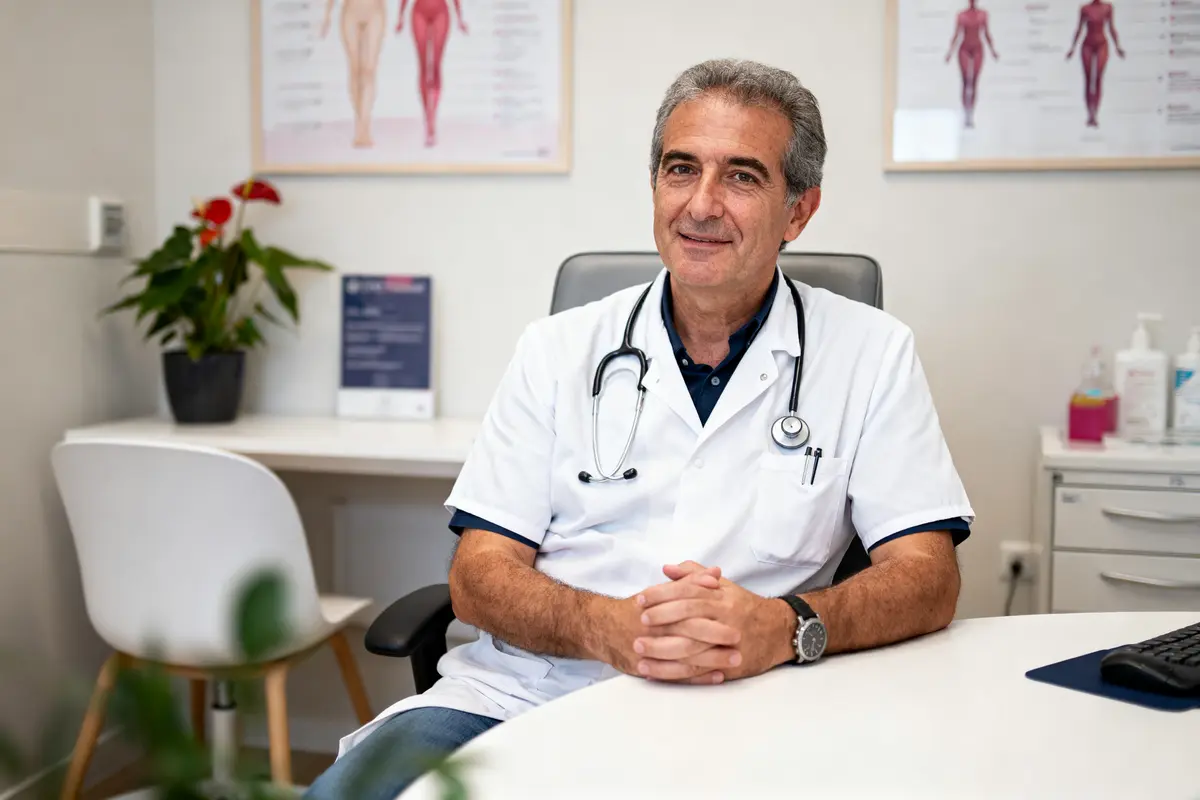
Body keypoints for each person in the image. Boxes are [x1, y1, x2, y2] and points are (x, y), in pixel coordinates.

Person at [303, 58, 974, 799]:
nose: (702, 204)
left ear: (799, 211)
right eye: (680, 168)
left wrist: (786, 627)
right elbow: (478, 577)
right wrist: (603, 627)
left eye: (743, 176)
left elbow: (927, 578)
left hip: (752, 706)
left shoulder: (871, 353)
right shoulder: (557, 349)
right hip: (520, 699)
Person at [397, 0, 468, 148]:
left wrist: (459, 17)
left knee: (435, 66)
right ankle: (427, 119)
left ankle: (432, 120)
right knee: (423, 66)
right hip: (419, 11)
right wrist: (401, 16)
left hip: (440, 11)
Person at [320, 0, 387, 148]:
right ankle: (360, 126)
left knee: (369, 71)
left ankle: (364, 127)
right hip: (350, 11)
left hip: (375, 10)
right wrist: (327, 15)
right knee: (355, 70)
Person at [1066, 0, 1125, 128]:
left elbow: (1111, 28)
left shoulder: (1108, 7)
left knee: (1098, 78)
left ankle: (1095, 114)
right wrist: (1072, 48)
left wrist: (1118, 47)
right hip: (1087, 44)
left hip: (1101, 44)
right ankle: (1090, 114)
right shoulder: (1085, 8)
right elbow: (1079, 28)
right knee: (1088, 79)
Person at [945, 0, 999, 129]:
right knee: (965, 81)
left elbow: (986, 34)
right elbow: (956, 35)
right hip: (964, 48)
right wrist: (950, 53)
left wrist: (993, 51)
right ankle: (965, 112)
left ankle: (971, 114)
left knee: (974, 81)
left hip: (977, 49)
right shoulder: (961, 15)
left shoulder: (983, 15)